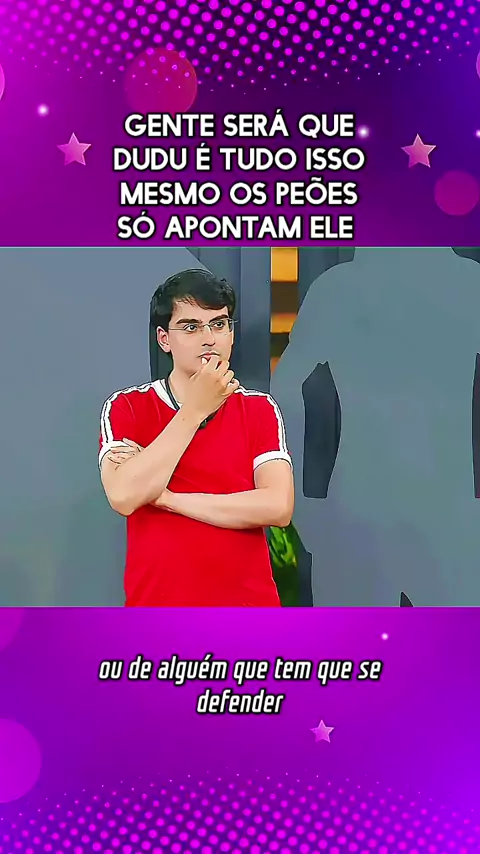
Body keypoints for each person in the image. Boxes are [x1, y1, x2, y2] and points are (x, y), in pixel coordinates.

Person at [99, 268, 294, 607]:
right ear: (164, 339)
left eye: (218, 324)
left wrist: (167, 498)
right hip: (158, 611)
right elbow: (124, 495)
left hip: (249, 611)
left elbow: (277, 506)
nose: (209, 338)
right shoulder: (128, 406)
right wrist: (195, 410)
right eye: (191, 327)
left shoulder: (258, 408)